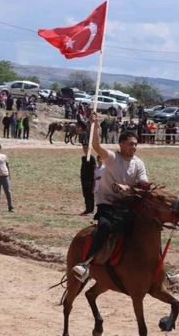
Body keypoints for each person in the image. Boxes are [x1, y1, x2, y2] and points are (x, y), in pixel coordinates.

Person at [72, 113, 149, 283]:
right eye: (130, 144)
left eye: (136, 144)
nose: (134, 147)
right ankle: (87, 263)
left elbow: (144, 184)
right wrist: (95, 126)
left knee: (147, 227)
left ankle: (154, 268)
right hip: (107, 203)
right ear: (121, 145)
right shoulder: (113, 157)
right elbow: (96, 146)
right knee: (105, 226)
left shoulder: (139, 163)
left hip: (127, 204)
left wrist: (129, 188)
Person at [80, 143, 97, 216]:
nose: (85, 150)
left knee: (90, 194)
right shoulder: (83, 158)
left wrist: (94, 180)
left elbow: (94, 169)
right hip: (84, 179)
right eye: (84, 148)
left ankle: (91, 210)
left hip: (90, 180)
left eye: (86, 148)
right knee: (85, 194)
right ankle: (87, 209)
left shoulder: (92, 158)